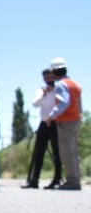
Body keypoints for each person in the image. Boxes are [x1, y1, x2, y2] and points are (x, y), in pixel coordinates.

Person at [46, 57, 81, 191]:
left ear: (54, 72)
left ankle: (72, 181)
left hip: (66, 121)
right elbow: (78, 104)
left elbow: (64, 102)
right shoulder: (74, 84)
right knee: (73, 151)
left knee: (66, 152)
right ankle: (75, 179)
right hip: (75, 120)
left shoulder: (61, 84)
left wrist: (51, 116)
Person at [24, 68, 62, 189]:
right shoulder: (41, 90)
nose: (48, 80)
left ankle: (57, 179)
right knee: (38, 152)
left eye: (50, 77)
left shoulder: (59, 89)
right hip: (44, 122)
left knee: (57, 152)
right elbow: (35, 104)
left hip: (56, 123)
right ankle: (34, 179)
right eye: (45, 78)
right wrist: (44, 94)